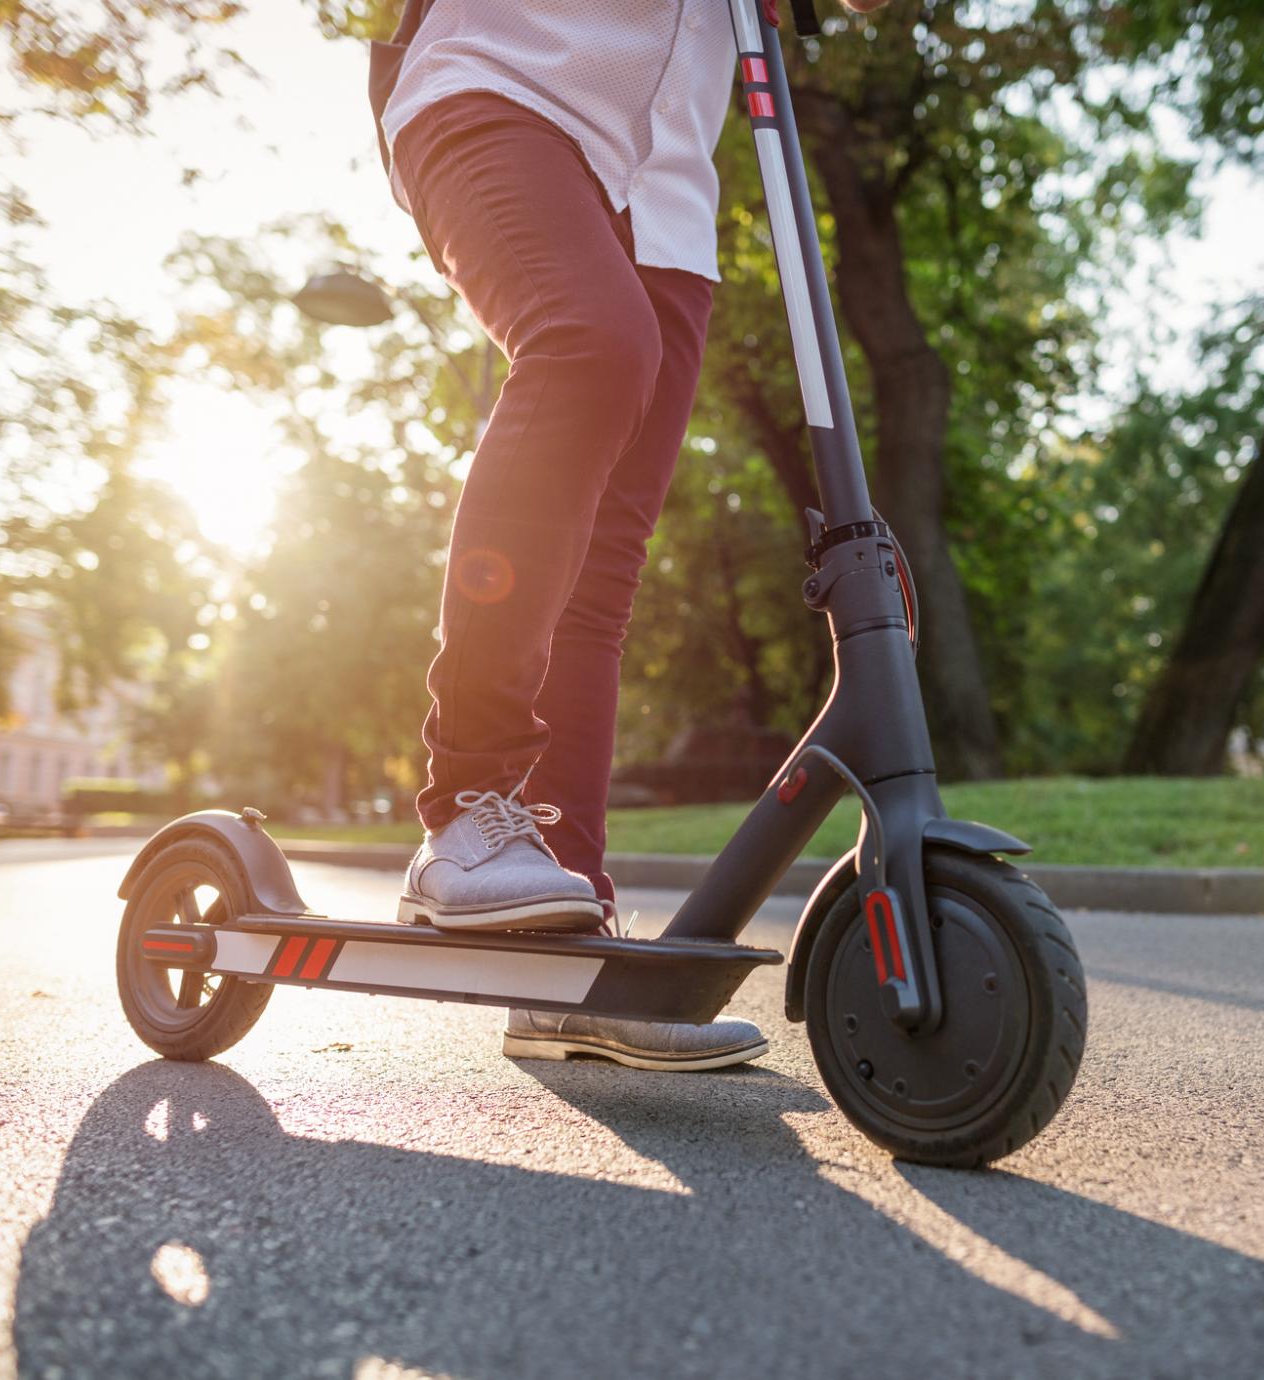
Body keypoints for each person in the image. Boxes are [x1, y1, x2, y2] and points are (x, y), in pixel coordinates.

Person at [377, 0, 885, 1071]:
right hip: (504, 87)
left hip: (664, 196)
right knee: (590, 347)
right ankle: (465, 801)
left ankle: (564, 959)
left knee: (600, 577)